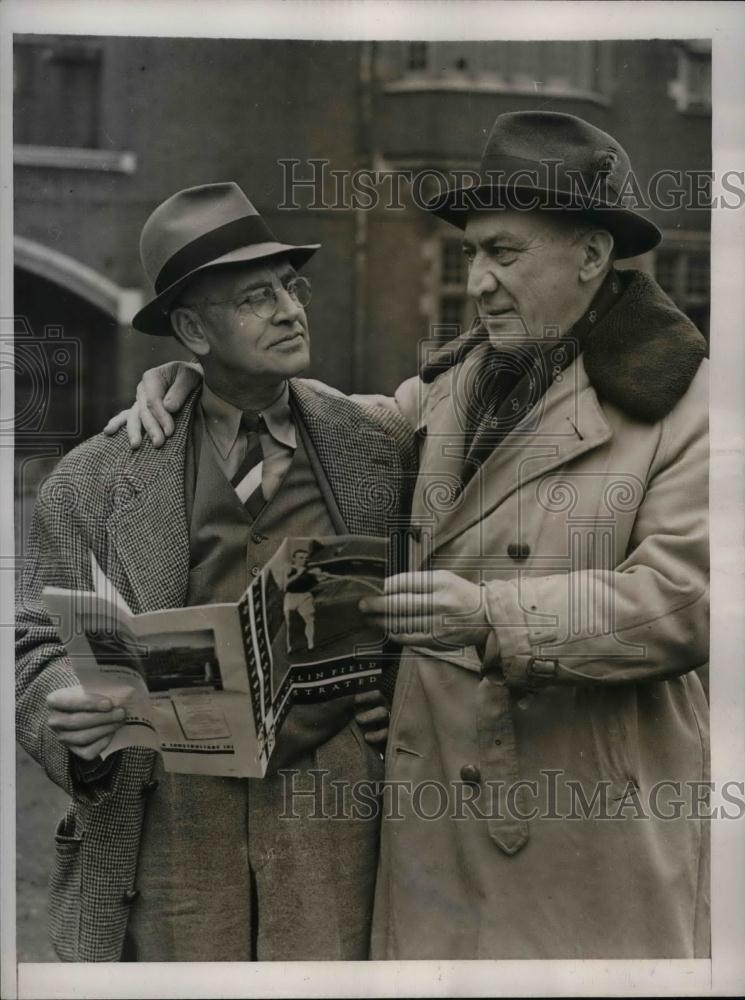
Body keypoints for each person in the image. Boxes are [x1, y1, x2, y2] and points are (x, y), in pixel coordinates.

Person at [108, 111, 710, 959]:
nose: (480, 281)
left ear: (590, 254)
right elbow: (340, 429)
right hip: (436, 844)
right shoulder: (457, 384)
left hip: (589, 837)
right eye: (471, 253)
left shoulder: (690, 409)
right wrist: (213, 379)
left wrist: (492, 618)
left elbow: (687, 602)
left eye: (504, 253)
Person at [15, 182, 415, 962]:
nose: (289, 310)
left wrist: (387, 714)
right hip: (168, 825)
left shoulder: (375, 447)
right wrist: (64, 703)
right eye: (254, 298)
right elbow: (36, 639)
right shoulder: (91, 479)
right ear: (192, 330)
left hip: (332, 821)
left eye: (290, 288)